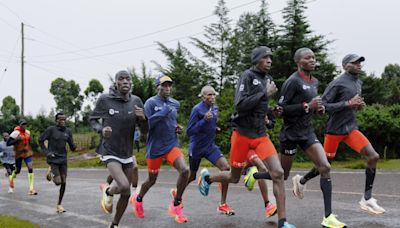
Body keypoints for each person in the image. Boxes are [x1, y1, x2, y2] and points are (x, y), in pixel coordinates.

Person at [197, 46, 295, 228]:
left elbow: (262, 106)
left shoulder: (268, 80)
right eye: (265, 57)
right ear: (256, 59)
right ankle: (208, 179)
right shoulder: (247, 76)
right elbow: (240, 105)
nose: (269, 61)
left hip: (260, 135)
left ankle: (283, 222)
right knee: (234, 178)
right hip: (242, 135)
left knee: (278, 173)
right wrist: (263, 94)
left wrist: (273, 113)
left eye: (271, 58)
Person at [293, 54, 386, 215]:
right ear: (345, 66)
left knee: (373, 157)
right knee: (324, 166)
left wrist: (357, 105)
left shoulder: (358, 82)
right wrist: (348, 104)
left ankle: (367, 198)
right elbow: (323, 106)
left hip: (350, 129)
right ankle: (301, 181)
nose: (358, 65)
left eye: (360, 63)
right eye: (354, 63)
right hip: (334, 131)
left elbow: (352, 103)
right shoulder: (337, 83)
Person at [270, 47, 346, 228]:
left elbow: (312, 107)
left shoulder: (315, 82)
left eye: (313, 57)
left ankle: (328, 218)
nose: (312, 60)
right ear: (298, 62)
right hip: (290, 133)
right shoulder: (292, 82)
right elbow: (281, 111)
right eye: (307, 57)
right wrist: (307, 105)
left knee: (325, 166)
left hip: (307, 132)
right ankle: (254, 173)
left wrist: (318, 109)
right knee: (283, 174)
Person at [90, 70, 145, 228]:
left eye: (128, 79)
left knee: (125, 191)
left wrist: (143, 119)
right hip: (109, 150)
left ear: (131, 82)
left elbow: (145, 128)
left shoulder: (136, 101)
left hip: (127, 152)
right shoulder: (105, 100)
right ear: (116, 83)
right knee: (125, 187)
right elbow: (93, 120)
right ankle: (114, 222)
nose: (125, 82)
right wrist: (102, 129)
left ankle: (114, 220)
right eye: (121, 79)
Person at [131, 75, 190, 224]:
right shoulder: (150, 103)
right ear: (158, 86)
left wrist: (176, 127)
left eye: (169, 85)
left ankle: (176, 204)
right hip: (155, 148)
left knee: (185, 171)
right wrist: (162, 113)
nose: (167, 88)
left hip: (171, 145)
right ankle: (138, 200)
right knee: (151, 180)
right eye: (164, 85)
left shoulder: (175, 103)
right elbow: (147, 125)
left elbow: (172, 121)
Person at [181, 85, 235, 215]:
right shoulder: (197, 109)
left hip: (210, 146)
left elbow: (211, 123)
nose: (212, 97)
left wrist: (214, 128)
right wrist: (204, 121)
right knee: (192, 176)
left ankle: (222, 204)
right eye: (209, 95)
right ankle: (178, 193)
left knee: (226, 169)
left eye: (213, 94)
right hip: (197, 148)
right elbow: (189, 131)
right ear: (203, 96)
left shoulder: (214, 107)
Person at [38, 112, 77, 213]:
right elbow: (40, 140)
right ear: (56, 120)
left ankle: (59, 205)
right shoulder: (51, 130)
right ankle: (50, 171)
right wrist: (47, 152)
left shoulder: (68, 131)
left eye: (64, 119)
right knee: (58, 182)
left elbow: (72, 147)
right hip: (53, 159)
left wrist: (73, 146)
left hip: (63, 159)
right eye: (60, 119)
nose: (63, 121)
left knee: (64, 182)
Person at [7, 119, 38, 195]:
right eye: (22, 124)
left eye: (25, 124)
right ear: (19, 125)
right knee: (18, 170)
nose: (24, 126)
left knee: (30, 167)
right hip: (18, 153)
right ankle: (11, 177)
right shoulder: (15, 133)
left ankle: (31, 189)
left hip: (27, 152)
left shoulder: (28, 132)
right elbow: (8, 143)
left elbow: (29, 141)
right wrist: (16, 140)